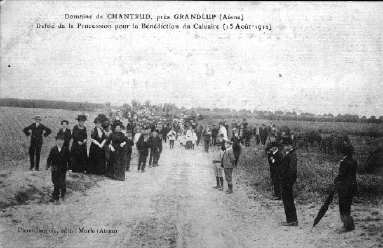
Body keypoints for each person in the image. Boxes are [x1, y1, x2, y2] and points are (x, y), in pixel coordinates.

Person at [334, 144, 357, 232]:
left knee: (343, 206)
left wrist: (336, 181)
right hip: (352, 186)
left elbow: (341, 175)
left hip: (344, 187)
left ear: (344, 152)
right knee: (348, 206)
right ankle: (350, 225)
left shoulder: (344, 162)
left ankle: (346, 226)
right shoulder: (354, 161)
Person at [276, 138, 298, 226]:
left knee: (288, 200)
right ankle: (291, 220)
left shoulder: (292, 155)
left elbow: (292, 170)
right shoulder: (289, 154)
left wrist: (288, 182)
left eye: (285, 146)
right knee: (287, 200)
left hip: (287, 182)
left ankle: (291, 220)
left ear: (289, 146)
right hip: (286, 181)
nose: (284, 148)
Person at [46, 134, 70, 202]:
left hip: (63, 167)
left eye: (61, 140)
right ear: (56, 141)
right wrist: (48, 165)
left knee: (62, 181)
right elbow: (49, 158)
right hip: (54, 167)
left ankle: (62, 194)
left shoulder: (66, 149)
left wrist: (70, 167)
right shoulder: (53, 149)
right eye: (58, 140)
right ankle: (56, 194)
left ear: (64, 141)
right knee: (54, 180)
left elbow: (69, 159)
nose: (60, 142)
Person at [265, 134, 281, 200]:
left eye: (272, 148)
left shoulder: (279, 154)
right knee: (274, 181)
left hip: (277, 171)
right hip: (273, 170)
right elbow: (270, 160)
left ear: (275, 147)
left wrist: (272, 160)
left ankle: (278, 195)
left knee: (277, 182)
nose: (271, 149)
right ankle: (276, 193)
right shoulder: (272, 153)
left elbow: (277, 162)